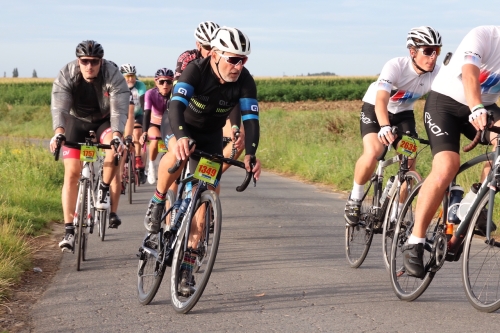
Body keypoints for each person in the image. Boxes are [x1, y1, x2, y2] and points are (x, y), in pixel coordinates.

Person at [144, 27, 261, 295]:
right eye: (233, 59)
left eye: (244, 59)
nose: (238, 65)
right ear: (217, 54)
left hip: (208, 137)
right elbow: (174, 107)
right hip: (180, 125)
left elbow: (251, 121)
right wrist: (182, 137)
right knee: (175, 154)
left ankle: (186, 267)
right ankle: (158, 199)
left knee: (204, 197)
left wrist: (252, 152)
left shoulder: (245, 81)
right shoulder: (196, 70)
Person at [402, 25, 500, 278]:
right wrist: (476, 106)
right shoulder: (484, 36)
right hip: (445, 105)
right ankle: (415, 241)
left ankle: (473, 207)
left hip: (485, 106)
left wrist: (481, 107)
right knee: (447, 166)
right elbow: (469, 74)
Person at [344, 26, 442, 227]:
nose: (433, 57)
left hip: (403, 115)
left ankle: (397, 214)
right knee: (374, 151)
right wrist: (384, 126)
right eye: (428, 51)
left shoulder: (436, 73)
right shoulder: (395, 66)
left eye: (437, 51)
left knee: (409, 160)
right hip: (376, 109)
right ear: (412, 52)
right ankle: (355, 198)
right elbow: (381, 100)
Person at [49, 40, 129, 251]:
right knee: (72, 173)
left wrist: (118, 136)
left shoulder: (113, 75)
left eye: (94, 61)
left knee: (115, 148)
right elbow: (60, 107)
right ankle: (68, 230)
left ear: (101, 62)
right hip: (76, 120)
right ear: (79, 61)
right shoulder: (67, 73)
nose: (89, 66)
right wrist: (58, 133)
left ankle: (103, 188)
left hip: (103, 121)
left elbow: (119, 110)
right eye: (85, 61)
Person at [164, 21, 245, 172]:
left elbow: (233, 98)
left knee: (241, 135)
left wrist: (234, 126)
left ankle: (208, 179)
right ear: (198, 45)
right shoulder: (189, 59)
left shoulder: (225, 63)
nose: (210, 51)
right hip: (187, 112)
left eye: (215, 47)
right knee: (178, 157)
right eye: (207, 47)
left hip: (211, 114)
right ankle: (165, 194)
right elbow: (178, 92)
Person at [139, 68, 174, 184]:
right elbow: (146, 113)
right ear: (156, 82)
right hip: (154, 123)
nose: (165, 85)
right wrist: (144, 132)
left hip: (169, 123)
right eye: (161, 82)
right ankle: (152, 165)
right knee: (154, 140)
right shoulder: (150, 93)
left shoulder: (175, 93)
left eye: (168, 82)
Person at [120, 63, 147, 184]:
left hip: (137, 114)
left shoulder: (140, 85)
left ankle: (137, 159)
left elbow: (142, 101)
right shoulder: (118, 86)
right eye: (127, 76)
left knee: (136, 132)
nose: (130, 79)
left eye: (132, 76)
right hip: (122, 115)